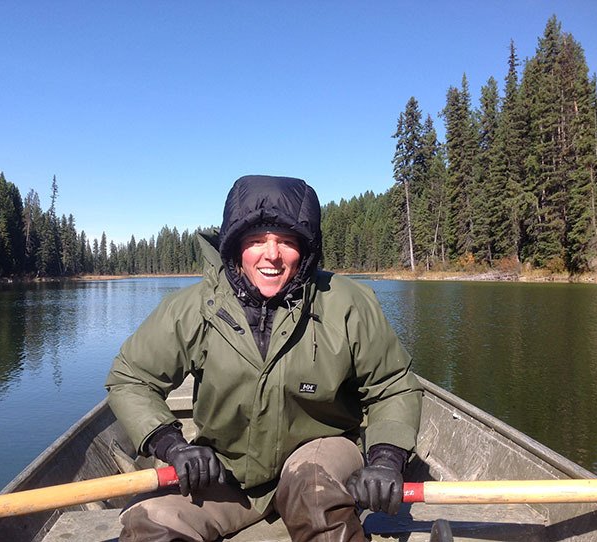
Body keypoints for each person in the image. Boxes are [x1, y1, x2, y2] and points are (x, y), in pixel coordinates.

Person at [105, 175, 423, 542]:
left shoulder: (348, 303)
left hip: (320, 455)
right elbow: (130, 378)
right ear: (235, 247)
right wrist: (172, 444)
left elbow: (393, 387)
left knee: (313, 492)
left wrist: (386, 460)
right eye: (257, 241)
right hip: (228, 472)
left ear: (305, 250)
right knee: (149, 522)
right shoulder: (192, 308)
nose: (271, 254)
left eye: (286, 242)